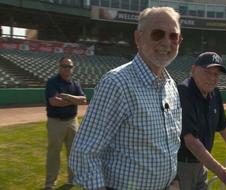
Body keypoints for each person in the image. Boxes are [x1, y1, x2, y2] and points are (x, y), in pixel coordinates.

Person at [69, 7, 182, 190]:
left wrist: (173, 181)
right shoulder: (116, 83)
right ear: (138, 38)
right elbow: (84, 152)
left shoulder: (171, 86)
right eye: (158, 34)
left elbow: (170, 143)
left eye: (173, 36)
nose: (166, 42)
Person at [176, 52, 226, 190]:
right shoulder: (184, 91)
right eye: (207, 72)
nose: (212, 78)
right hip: (182, 166)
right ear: (193, 70)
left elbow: (223, 125)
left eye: (216, 74)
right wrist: (221, 172)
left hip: (202, 164)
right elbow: (190, 141)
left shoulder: (215, 93)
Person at [44, 57, 87, 190]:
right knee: (53, 153)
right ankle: (50, 183)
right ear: (59, 67)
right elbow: (54, 102)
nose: (67, 69)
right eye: (64, 66)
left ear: (72, 68)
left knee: (73, 153)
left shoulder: (75, 83)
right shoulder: (52, 82)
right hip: (56, 122)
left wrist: (67, 97)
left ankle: (72, 179)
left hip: (72, 122)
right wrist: (74, 100)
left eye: (69, 66)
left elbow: (84, 99)